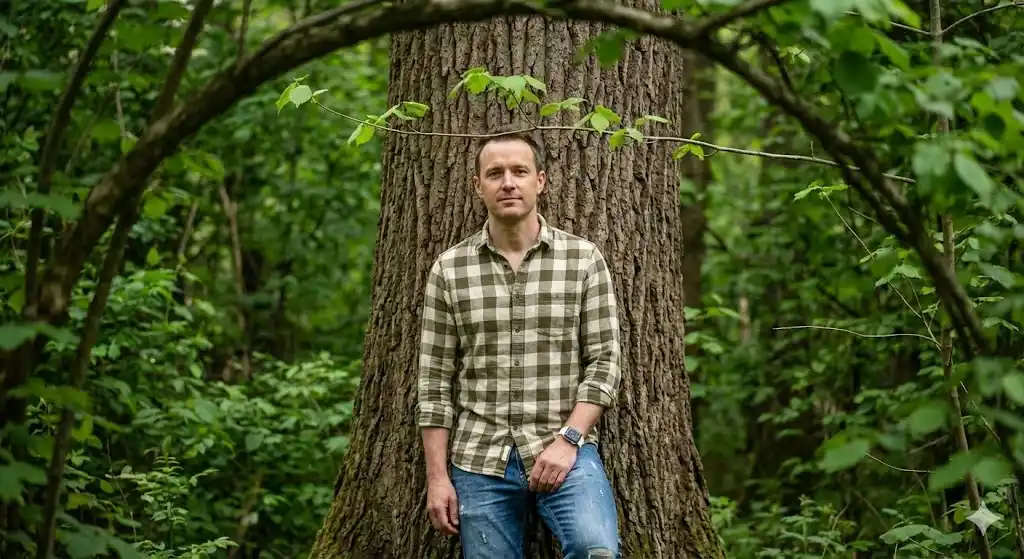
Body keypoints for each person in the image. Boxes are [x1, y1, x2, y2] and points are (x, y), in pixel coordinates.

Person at [415, 128, 622, 559]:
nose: (508, 182)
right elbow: (433, 382)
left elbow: (604, 363)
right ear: (478, 186)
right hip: (478, 458)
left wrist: (568, 440)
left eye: (519, 171)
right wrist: (437, 477)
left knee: (596, 550)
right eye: (495, 173)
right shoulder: (449, 270)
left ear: (539, 181)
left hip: (563, 446)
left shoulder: (583, 259)